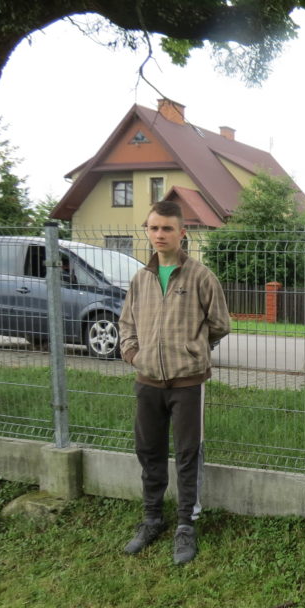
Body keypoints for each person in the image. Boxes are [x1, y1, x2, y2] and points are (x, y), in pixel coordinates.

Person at [118, 200, 231, 565]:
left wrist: (192, 349)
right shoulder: (141, 279)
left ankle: (185, 525)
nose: (160, 234)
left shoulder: (200, 276)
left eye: (167, 228)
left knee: (187, 453)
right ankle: (152, 518)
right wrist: (134, 355)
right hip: (148, 381)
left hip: (187, 383)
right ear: (147, 231)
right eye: (154, 228)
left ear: (182, 232)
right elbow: (126, 323)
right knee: (149, 450)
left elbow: (220, 323)